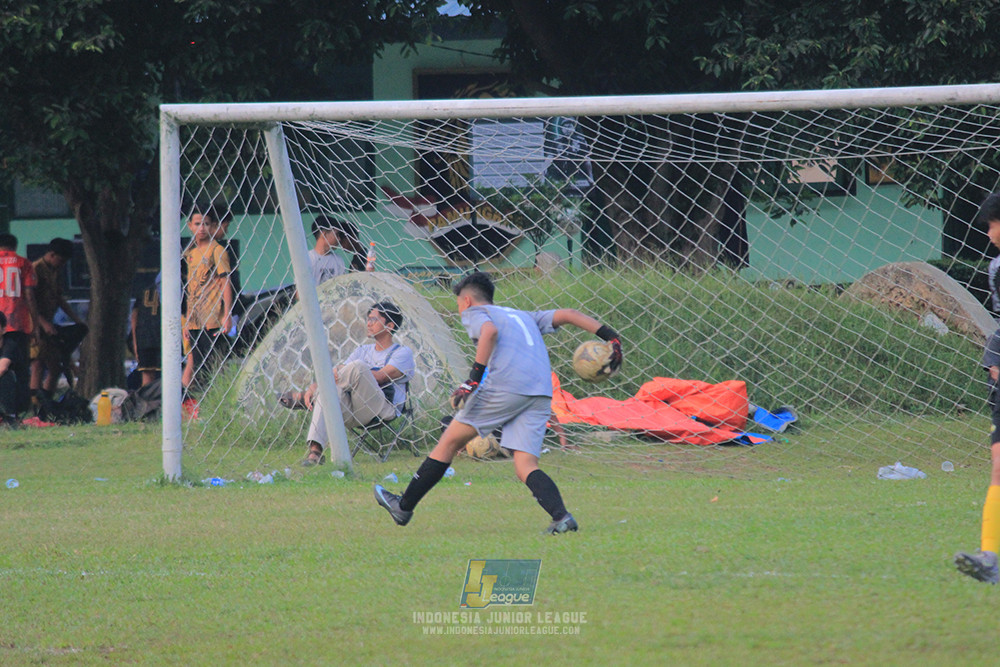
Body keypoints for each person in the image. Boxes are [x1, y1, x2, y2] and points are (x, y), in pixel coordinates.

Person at [374, 271, 623, 534]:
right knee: (525, 465)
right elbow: (569, 313)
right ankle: (561, 517)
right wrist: (612, 338)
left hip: (505, 386)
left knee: (449, 442)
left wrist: (472, 380)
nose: (460, 310)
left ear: (467, 301)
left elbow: (489, 332)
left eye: (458, 304)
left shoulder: (478, 314)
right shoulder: (523, 316)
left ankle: (403, 505)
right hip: (539, 392)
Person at [282, 301, 415, 466]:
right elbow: (338, 375)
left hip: (382, 409)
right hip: (355, 409)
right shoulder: (362, 351)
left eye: (374, 319)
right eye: (368, 319)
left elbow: (380, 377)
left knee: (358, 367)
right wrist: (314, 386)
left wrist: (343, 371)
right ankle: (315, 453)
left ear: (389, 325)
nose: (368, 323)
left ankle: (305, 397)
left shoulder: (402, 353)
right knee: (330, 393)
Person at [956, 191, 1000, 583]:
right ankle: (990, 558)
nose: (987, 233)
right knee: (999, 467)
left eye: (991, 224)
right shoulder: (996, 267)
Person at [29, 237, 88, 400]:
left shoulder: (55, 272)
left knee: (56, 367)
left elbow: (59, 298)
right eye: (61, 261)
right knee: (37, 365)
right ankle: (35, 406)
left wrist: (77, 319)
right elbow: (29, 302)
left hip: (50, 324)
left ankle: (46, 402)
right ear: (52, 255)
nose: (62, 265)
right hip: (35, 324)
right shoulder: (35, 270)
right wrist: (43, 323)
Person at [181, 210, 233, 390]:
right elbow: (191, 289)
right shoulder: (190, 254)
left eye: (206, 224)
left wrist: (227, 314)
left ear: (211, 226)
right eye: (197, 224)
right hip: (194, 320)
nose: (201, 228)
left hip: (212, 320)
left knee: (209, 367)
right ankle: (192, 406)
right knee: (194, 365)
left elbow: (225, 282)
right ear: (189, 226)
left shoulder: (217, 250)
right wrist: (187, 320)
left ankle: (210, 406)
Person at [0, 233, 39, 417]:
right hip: (17, 323)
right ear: (14, 246)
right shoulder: (24, 263)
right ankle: (20, 410)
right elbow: (30, 296)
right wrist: (35, 325)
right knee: (22, 370)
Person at [131, 272, 162, 388]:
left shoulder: (144, 290)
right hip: (159, 336)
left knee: (147, 376)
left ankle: (147, 401)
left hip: (144, 337)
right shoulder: (171, 290)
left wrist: (135, 342)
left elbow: (134, 316)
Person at [0, 312, 18, 425]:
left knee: (6, 376)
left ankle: (10, 417)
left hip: (15, 390)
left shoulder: (9, 345)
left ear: (3, 330)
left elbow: (2, 368)